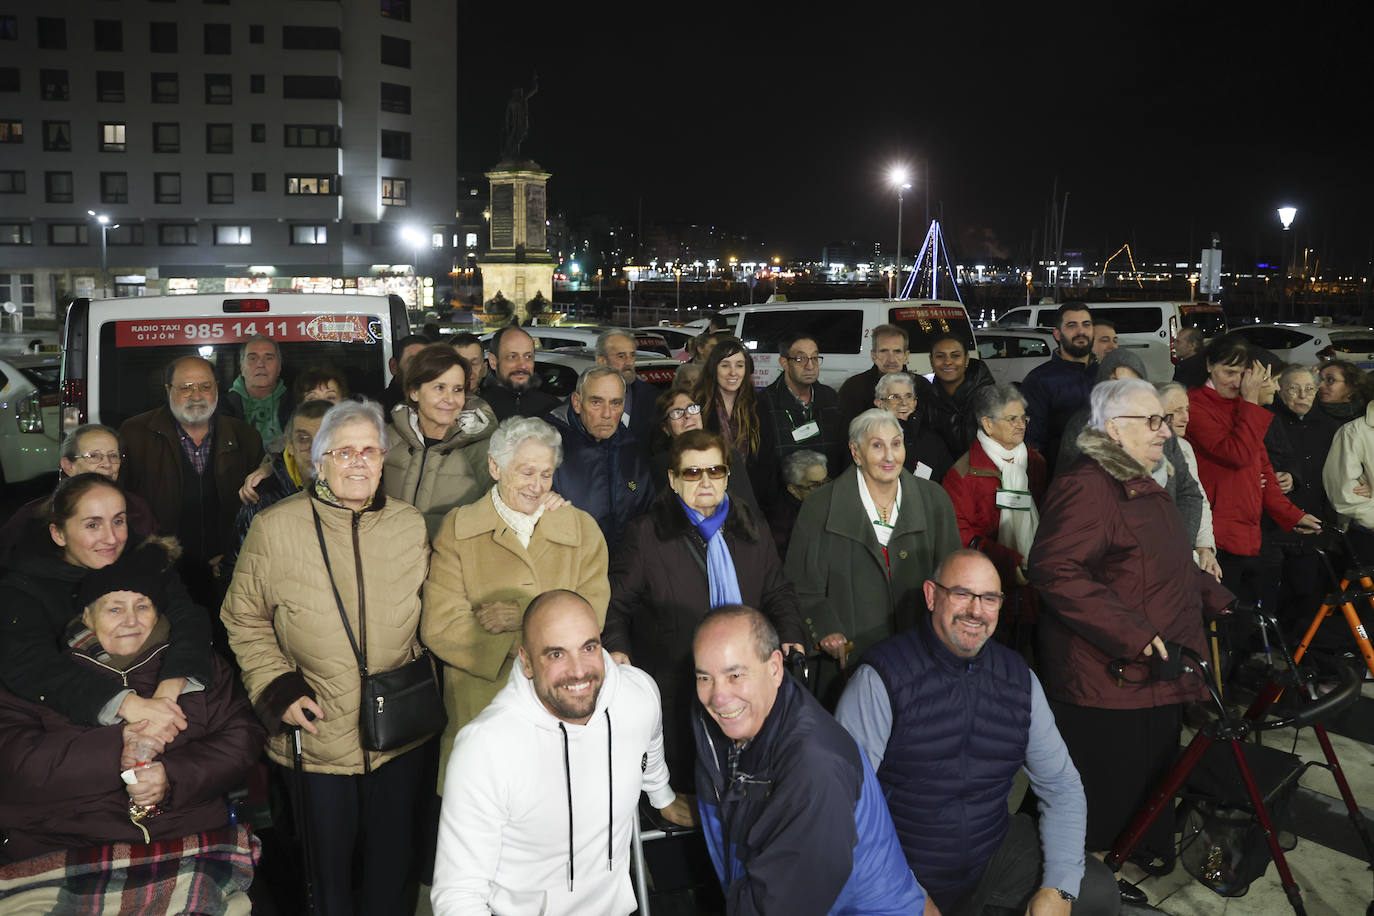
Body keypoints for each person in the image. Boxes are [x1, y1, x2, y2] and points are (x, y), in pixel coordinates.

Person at [221, 399, 435, 916]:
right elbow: (241, 618)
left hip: (399, 735)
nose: (358, 462)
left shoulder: (410, 525)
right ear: (319, 462)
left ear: (384, 459)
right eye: (344, 452)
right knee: (325, 880)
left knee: (392, 871)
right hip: (315, 734)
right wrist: (277, 687)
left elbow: (440, 608)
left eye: (369, 451)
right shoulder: (275, 528)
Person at [836, 550, 1119, 915]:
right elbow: (842, 809)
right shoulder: (880, 679)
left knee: (1096, 891)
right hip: (900, 862)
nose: (975, 610)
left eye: (989, 599)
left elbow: (1061, 785)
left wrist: (1059, 888)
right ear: (931, 595)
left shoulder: (1018, 679)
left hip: (988, 852)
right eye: (962, 594)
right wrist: (905, 894)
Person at [1029, 379, 1235, 862]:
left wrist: (1221, 600)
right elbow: (1053, 570)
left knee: (1149, 783)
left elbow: (1164, 565)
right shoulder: (1088, 486)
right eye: (1154, 421)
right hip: (1108, 680)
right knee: (1104, 796)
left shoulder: (1140, 484)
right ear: (1115, 430)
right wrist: (1135, 635)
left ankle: (1128, 862)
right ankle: (1089, 880)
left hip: (1152, 673)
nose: (1165, 432)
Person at [0, 539, 263, 912]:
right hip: (69, 846)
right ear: (86, 617)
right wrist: (117, 745)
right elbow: (14, 764)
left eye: (143, 606)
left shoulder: (193, 667)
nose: (130, 619)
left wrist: (173, 775)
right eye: (114, 608)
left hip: (185, 840)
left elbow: (242, 736)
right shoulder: (43, 676)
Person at [430, 590, 693, 915]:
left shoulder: (637, 696)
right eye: (556, 654)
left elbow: (649, 741)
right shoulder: (486, 747)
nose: (579, 670)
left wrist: (660, 793)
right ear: (526, 661)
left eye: (588, 647)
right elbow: (458, 895)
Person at [692, 606, 927, 915]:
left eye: (735, 675)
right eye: (704, 678)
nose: (718, 697)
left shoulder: (815, 768)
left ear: (775, 667)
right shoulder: (732, 723)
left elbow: (782, 906)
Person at [604, 428, 805, 787]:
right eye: (693, 473)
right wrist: (618, 651)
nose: (706, 481)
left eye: (716, 471)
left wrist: (790, 634)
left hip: (746, 684)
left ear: (728, 475)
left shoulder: (751, 528)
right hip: (677, 689)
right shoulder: (647, 535)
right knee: (692, 790)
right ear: (673, 479)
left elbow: (777, 591)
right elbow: (615, 605)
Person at [422, 416, 609, 784]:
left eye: (546, 474)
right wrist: (521, 645)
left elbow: (592, 618)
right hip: (483, 709)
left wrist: (522, 614)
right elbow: (440, 625)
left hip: (563, 710)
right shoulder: (459, 529)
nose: (537, 486)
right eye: (526, 472)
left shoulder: (582, 529)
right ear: (495, 466)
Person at [0, 474, 213, 739]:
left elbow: (189, 619)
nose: (111, 538)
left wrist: (170, 686)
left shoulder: (144, 560)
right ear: (58, 533)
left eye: (118, 521)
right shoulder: (23, 586)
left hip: (162, 703)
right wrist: (126, 704)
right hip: (73, 731)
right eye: (93, 525)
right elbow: (30, 663)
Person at [785, 408, 961, 705]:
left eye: (896, 444)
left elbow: (954, 579)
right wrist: (826, 630)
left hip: (921, 655)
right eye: (877, 446)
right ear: (856, 452)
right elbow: (801, 587)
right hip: (849, 663)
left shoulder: (935, 500)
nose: (890, 456)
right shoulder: (818, 507)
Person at [1187, 335, 1319, 609]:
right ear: (1210, 365)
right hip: (1215, 529)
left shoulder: (1242, 406)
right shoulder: (1196, 405)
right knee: (1221, 616)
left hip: (1247, 525)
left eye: (1241, 374)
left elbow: (1263, 467)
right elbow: (1237, 454)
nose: (1235, 381)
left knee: (1247, 615)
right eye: (1228, 371)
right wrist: (1250, 402)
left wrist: (1291, 514)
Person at [118, 356, 264, 601]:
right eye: (185, 387)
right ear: (168, 390)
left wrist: (234, 555)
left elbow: (260, 510)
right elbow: (121, 504)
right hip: (159, 574)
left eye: (205, 387)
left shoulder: (245, 436)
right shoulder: (134, 434)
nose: (196, 396)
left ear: (217, 388)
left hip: (227, 573)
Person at [941, 384, 1047, 647]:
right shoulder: (963, 475)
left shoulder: (1035, 463)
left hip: (1039, 585)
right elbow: (960, 536)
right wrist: (1009, 563)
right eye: (1012, 419)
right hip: (988, 594)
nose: (1021, 425)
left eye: (1024, 418)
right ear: (987, 424)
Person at [383, 343, 497, 538]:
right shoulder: (387, 439)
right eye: (439, 387)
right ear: (414, 392)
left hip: (451, 564)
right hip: (393, 563)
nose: (450, 399)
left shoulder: (486, 450)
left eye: (457, 389)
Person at [0, 423, 158, 565]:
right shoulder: (33, 516)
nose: (107, 464)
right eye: (94, 456)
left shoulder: (138, 508)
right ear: (68, 466)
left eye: (113, 456)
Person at [547, 366, 654, 554]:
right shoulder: (546, 447)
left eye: (615, 403)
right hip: (570, 573)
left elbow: (646, 517)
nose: (607, 414)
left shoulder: (632, 448)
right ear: (577, 403)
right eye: (596, 402)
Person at [224, 399, 333, 580]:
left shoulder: (359, 493)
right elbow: (236, 575)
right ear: (289, 445)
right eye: (304, 439)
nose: (315, 450)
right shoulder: (262, 500)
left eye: (324, 439)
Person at [756, 331, 847, 504]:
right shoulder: (764, 404)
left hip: (829, 501)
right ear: (784, 362)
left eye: (814, 358)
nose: (810, 366)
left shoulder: (831, 399)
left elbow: (841, 454)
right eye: (800, 359)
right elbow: (764, 467)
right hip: (782, 504)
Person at [650, 385, 760, 510]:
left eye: (692, 408)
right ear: (666, 428)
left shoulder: (728, 455)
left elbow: (749, 509)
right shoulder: (659, 466)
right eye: (677, 413)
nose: (687, 416)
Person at [1157, 382, 1223, 580]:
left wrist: (1205, 547)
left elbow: (1197, 498)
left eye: (1186, 409)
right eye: (1177, 411)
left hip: (1184, 549)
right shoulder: (1144, 449)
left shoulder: (1184, 448)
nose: (1186, 417)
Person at [1020, 302, 1096, 471]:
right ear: (1057, 334)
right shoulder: (1038, 380)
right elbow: (1032, 445)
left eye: (1086, 325)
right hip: (1060, 480)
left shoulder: (1106, 375)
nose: (1081, 331)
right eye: (1071, 325)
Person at [692, 336, 766, 494]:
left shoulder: (759, 405)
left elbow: (767, 460)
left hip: (752, 494)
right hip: (709, 492)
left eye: (739, 365)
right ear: (713, 368)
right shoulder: (698, 405)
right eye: (725, 365)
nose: (733, 372)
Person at [837, 323, 931, 427]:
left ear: (906, 356)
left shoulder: (921, 386)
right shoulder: (853, 388)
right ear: (873, 356)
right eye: (884, 351)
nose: (891, 359)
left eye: (897, 351)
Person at [926, 333, 995, 460]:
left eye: (955, 356)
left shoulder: (990, 398)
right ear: (931, 360)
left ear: (966, 359)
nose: (947, 362)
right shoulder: (925, 398)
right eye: (940, 356)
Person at [874, 371, 953, 482]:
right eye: (894, 397)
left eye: (908, 396)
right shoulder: (871, 441)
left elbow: (949, 482)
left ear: (915, 402)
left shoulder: (932, 440)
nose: (903, 402)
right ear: (880, 404)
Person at [596, 328, 659, 456]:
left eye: (632, 355)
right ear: (602, 361)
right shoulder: (581, 401)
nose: (629, 362)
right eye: (621, 356)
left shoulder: (652, 397)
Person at [221, 334, 291, 446]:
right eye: (253, 358)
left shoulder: (296, 403)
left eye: (268, 358)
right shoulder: (220, 407)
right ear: (242, 368)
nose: (260, 364)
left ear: (279, 368)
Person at [480, 326, 561, 420]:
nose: (522, 365)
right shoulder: (477, 412)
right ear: (493, 361)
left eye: (528, 356)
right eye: (512, 357)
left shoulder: (553, 410)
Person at [766, 448, 828, 559]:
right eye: (814, 486)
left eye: (825, 482)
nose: (824, 490)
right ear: (793, 489)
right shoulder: (782, 523)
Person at [380, 333, 431, 414]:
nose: (421, 368)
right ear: (394, 366)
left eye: (427, 362)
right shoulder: (377, 412)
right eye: (413, 362)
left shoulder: (440, 406)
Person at [1316, 359, 1371, 425]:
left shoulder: (1367, 420)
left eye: (1330, 379)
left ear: (1351, 386)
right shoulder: (1307, 413)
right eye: (1319, 380)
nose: (1320, 385)